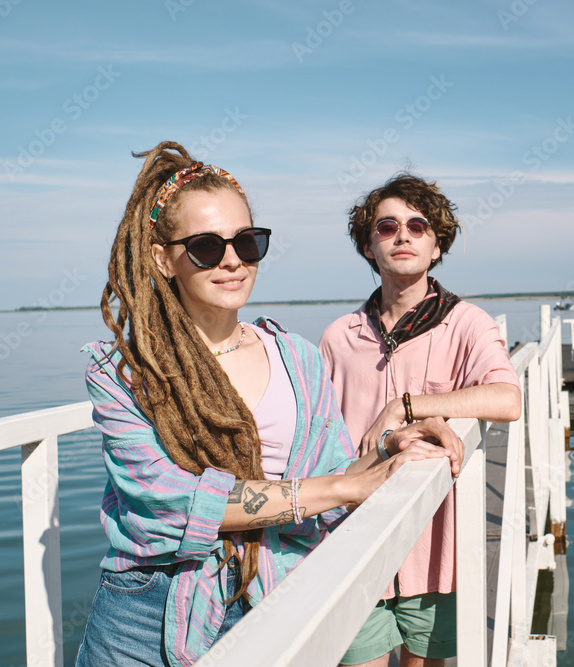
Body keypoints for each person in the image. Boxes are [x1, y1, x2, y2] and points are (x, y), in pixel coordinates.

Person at [74, 143, 462, 667]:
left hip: (277, 596)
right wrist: (343, 486)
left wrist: (392, 447)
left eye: (247, 242)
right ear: (161, 258)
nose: (232, 260)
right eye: (206, 247)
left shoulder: (296, 358)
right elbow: (165, 502)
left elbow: (331, 472)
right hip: (150, 614)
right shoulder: (126, 371)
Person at [318, 173, 522, 666]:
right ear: (369, 247)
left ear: (436, 246)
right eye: (387, 227)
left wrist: (410, 405)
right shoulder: (338, 337)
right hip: (355, 540)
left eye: (417, 225)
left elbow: (508, 399)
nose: (402, 235)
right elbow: (317, 438)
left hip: (435, 551)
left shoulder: (466, 322)